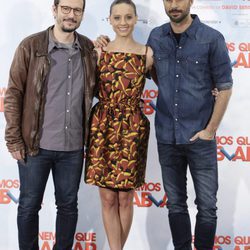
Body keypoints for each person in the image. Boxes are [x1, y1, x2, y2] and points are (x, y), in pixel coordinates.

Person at [96, 0, 233, 249]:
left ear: (190, 1)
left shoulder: (211, 38)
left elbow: (224, 86)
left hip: (200, 138)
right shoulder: (156, 37)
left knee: (207, 206)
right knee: (176, 203)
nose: (174, 4)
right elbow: (154, 76)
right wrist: (101, 42)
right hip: (167, 136)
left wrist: (210, 130)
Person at [4, 0, 97, 249]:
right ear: (54, 10)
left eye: (77, 10)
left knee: (68, 206)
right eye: (65, 8)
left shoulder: (88, 49)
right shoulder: (31, 46)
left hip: (73, 148)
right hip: (35, 146)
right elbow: (13, 93)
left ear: (82, 14)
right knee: (29, 206)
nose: (71, 15)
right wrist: (13, 138)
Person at [84, 0, 153, 249]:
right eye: (117, 18)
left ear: (135, 20)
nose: (123, 23)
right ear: (110, 20)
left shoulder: (147, 53)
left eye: (128, 17)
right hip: (102, 126)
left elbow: (172, 83)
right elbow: (85, 87)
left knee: (125, 198)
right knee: (107, 198)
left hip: (132, 129)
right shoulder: (99, 51)